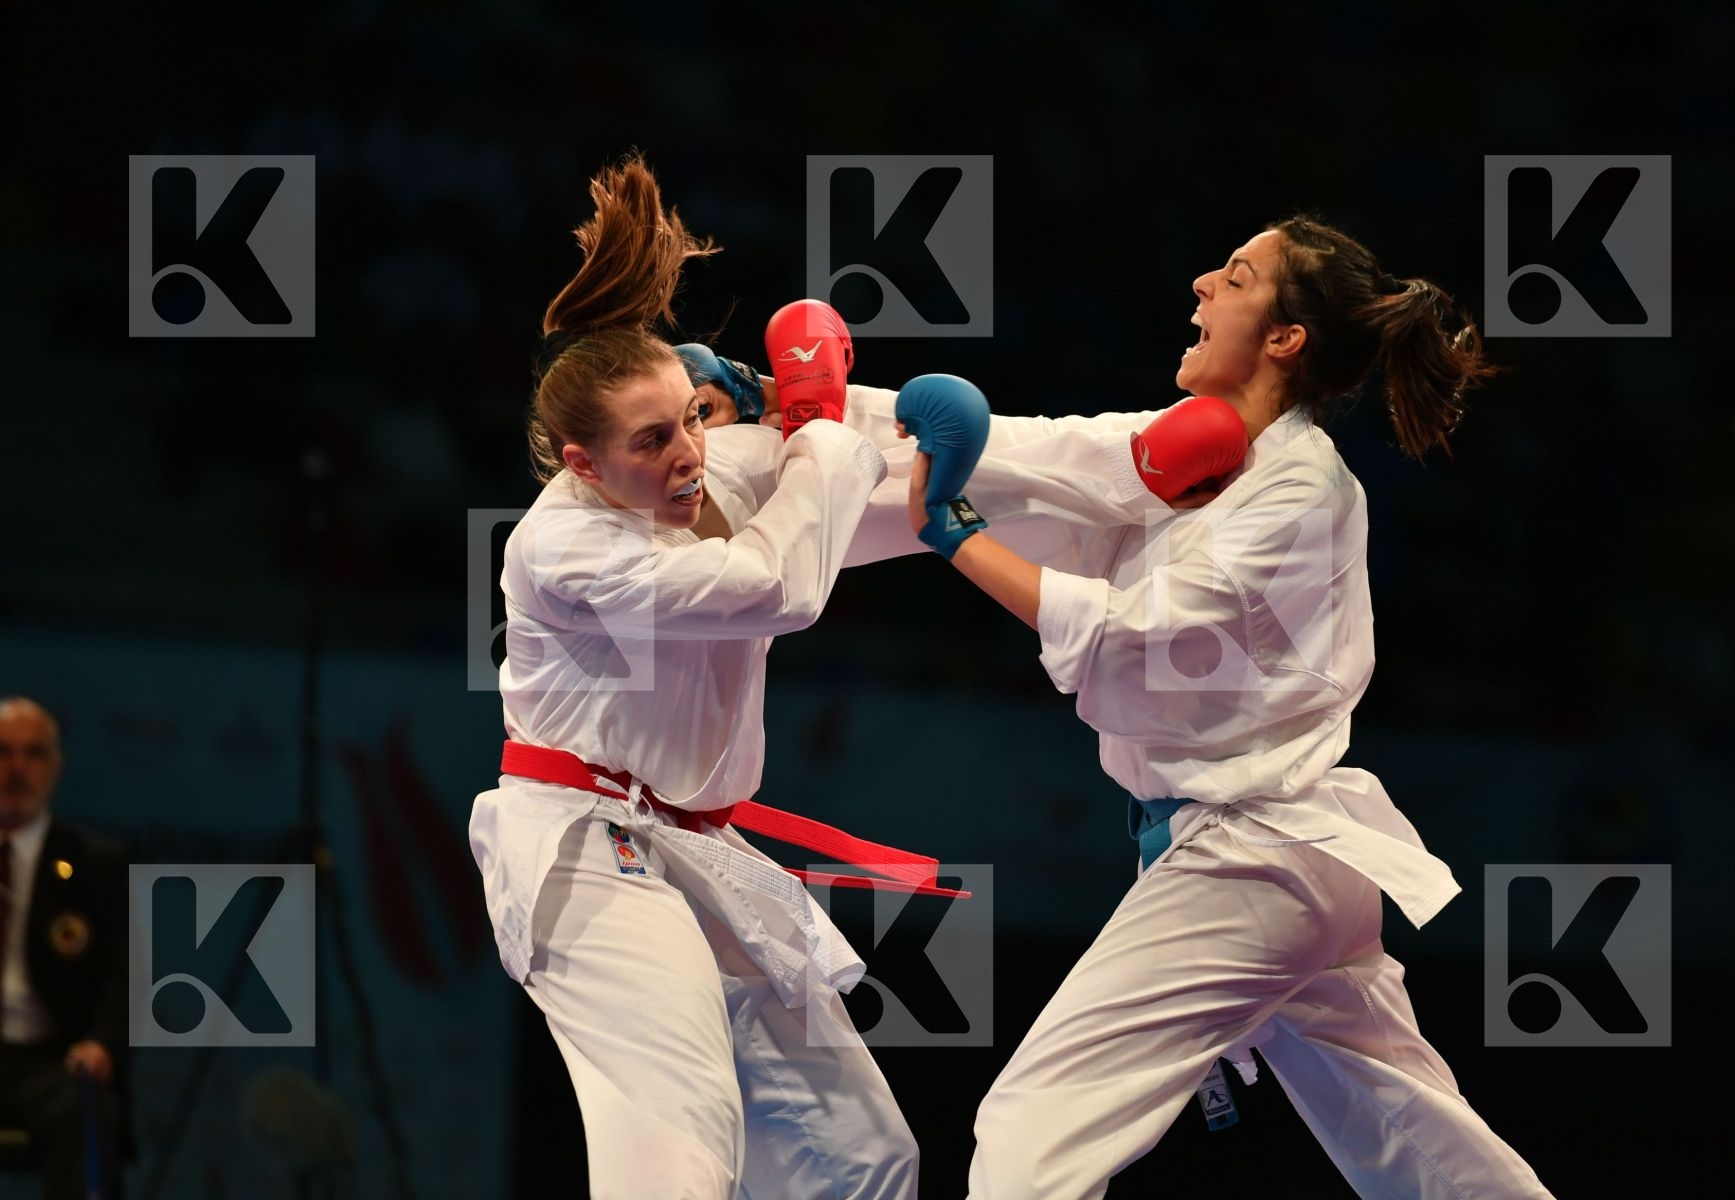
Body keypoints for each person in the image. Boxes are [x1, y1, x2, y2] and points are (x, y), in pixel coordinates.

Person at [899, 218, 1556, 1198]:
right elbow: (1033, 447)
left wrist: (954, 534)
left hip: (1253, 855)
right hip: (1286, 861)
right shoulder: (1192, 451)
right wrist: (789, 405)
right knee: (1419, 1144)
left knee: (1033, 1131)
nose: (1202, 281)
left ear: (1286, 338)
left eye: (1238, 277)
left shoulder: (1304, 490)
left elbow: (1131, 631)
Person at [465, 157, 920, 1199]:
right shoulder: (565, 547)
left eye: (692, 419)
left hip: (696, 848)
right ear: (583, 463)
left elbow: (896, 476)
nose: (687, 455)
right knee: (679, 1151)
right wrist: (818, 428)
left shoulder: (708, 468)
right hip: (585, 851)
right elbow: (777, 585)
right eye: (653, 439)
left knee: (862, 1158)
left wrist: (1146, 468)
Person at [0, 697, 127, 1200]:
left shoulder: (93, 863)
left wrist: (100, 1043)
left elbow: (121, 979)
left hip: (49, 1060)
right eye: (3, 753)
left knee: (85, 1111)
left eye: (33, 754)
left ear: (56, 767)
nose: (17, 768)